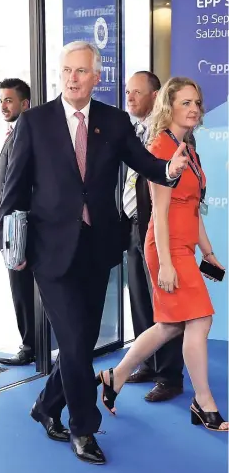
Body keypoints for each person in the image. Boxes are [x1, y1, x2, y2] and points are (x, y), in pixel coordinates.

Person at [0, 42, 188, 465]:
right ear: (59, 75)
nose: (72, 78)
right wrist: (12, 248)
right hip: (49, 252)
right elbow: (12, 192)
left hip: (97, 248)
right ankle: (84, 428)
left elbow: (144, 163)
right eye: (66, 70)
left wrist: (170, 170)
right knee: (73, 339)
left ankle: (46, 406)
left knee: (80, 342)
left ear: (96, 77)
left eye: (81, 71)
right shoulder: (35, 122)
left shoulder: (114, 121)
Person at [98, 76, 228, 432]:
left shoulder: (190, 149)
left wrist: (209, 251)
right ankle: (204, 403)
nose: (194, 109)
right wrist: (168, 264)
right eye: (185, 102)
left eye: (197, 103)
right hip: (166, 248)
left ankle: (116, 374)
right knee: (200, 320)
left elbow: (192, 208)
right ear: (168, 106)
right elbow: (159, 209)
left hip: (184, 246)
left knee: (170, 326)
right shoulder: (160, 147)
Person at [123, 71, 184, 401]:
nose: (130, 98)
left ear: (156, 95)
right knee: (140, 301)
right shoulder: (133, 132)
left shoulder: (167, 136)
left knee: (165, 305)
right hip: (134, 226)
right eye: (127, 92)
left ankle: (170, 376)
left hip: (156, 229)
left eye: (137, 92)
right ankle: (148, 362)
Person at [0, 78, 35, 366]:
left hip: (21, 226)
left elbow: (24, 183)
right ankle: (31, 344)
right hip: (11, 221)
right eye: (1, 101)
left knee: (22, 287)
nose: (4, 106)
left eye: (9, 100)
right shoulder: (15, 133)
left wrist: (5, 212)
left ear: (24, 103)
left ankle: (31, 346)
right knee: (20, 288)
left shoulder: (26, 135)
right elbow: (9, 181)